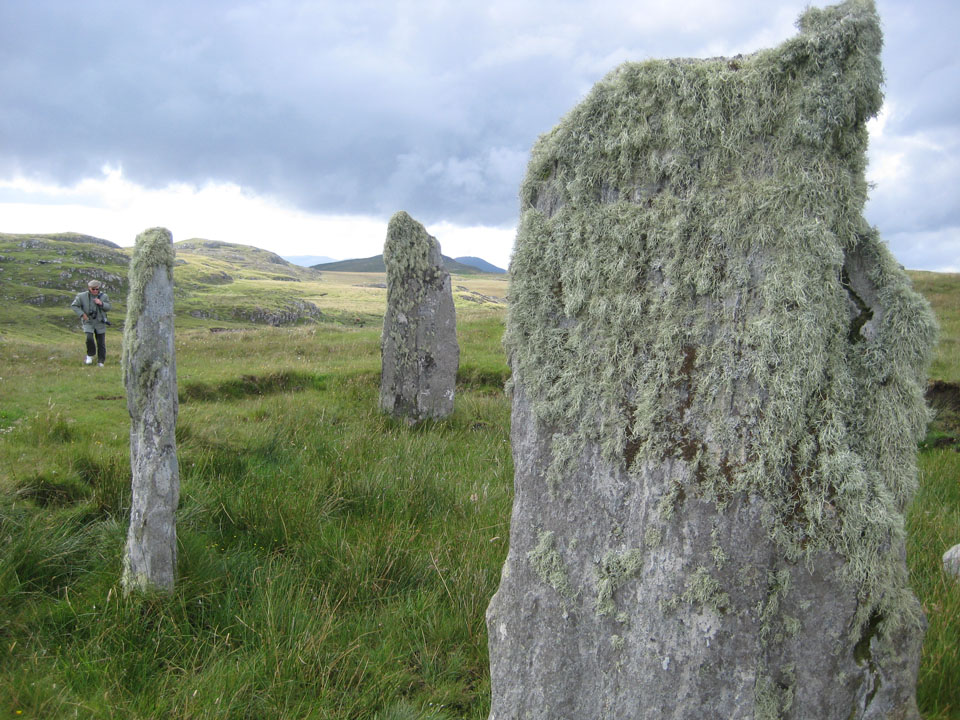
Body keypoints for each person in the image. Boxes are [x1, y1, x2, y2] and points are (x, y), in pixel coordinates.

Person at [70, 280, 112, 366]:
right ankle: (90, 355)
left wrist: (101, 303)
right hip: (88, 321)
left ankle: (101, 362)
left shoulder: (104, 296)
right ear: (89, 288)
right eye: (93, 289)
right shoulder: (81, 296)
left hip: (100, 322)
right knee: (89, 337)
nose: (95, 291)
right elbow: (74, 306)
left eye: (97, 289)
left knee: (101, 343)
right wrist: (82, 314)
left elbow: (108, 307)